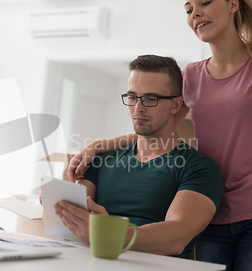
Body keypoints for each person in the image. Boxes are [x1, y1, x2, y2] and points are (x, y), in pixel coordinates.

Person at [67, 0, 252, 271]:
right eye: (189, 9)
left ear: (233, 4)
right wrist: (98, 145)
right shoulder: (192, 76)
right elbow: (163, 132)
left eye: (205, 2)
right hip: (215, 213)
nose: (195, 14)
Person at [53, 54, 224, 259]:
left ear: (176, 105)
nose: (138, 108)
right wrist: (59, 205)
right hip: (91, 268)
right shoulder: (102, 159)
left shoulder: (198, 168)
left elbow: (178, 236)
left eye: (151, 98)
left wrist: (110, 233)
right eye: (132, 97)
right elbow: (75, 213)